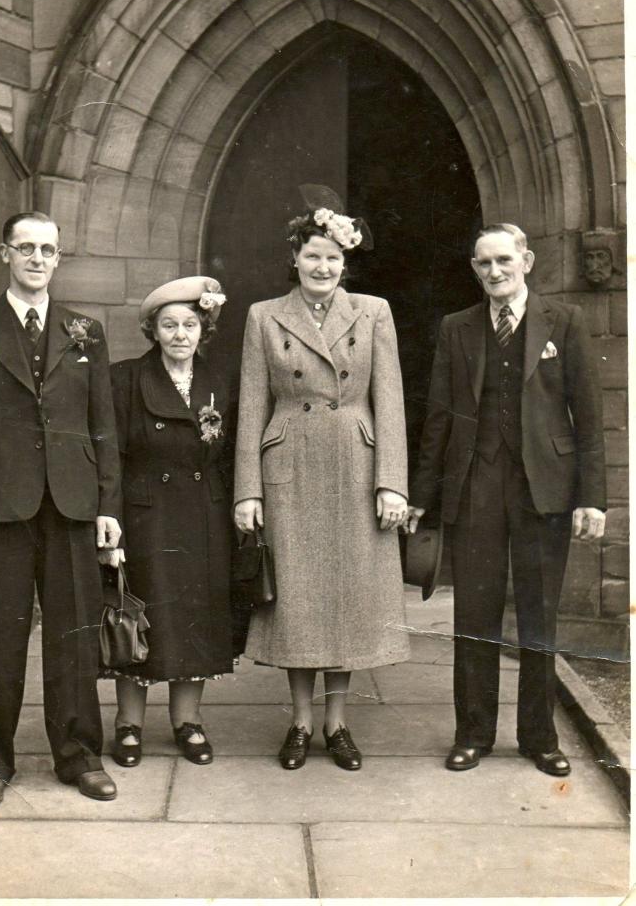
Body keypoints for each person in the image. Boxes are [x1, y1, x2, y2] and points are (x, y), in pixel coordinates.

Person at [0, 211, 122, 807]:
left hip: (70, 503)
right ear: (4, 253)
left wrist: (107, 503)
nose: (38, 258)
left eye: (49, 249)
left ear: (59, 258)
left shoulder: (85, 330)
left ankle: (80, 755)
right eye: (26, 247)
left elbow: (103, 425)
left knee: (75, 636)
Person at [406, 223, 606, 776]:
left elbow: (589, 417)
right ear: (474, 269)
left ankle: (540, 739)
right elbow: (440, 417)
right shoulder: (458, 328)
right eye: (483, 263)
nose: (494, 272)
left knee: (540, 616)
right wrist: (422, 494)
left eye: (503, 261)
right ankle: (473, 734)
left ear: (527, 260)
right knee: (475, 613)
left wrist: (594, 498)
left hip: (546, 490)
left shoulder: (564, 322)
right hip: (475, 486)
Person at [234, 206, 410, 771]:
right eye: (312, 256)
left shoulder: (374, 312)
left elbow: (391, 401)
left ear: (345, 262)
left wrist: (392, 483)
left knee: (347, 597)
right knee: (299, 601)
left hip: (355, 466)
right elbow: (251, 405)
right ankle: (300, 722)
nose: (322, 266)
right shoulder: (264, 316)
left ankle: (338, 724)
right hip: (289, 465)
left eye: (333, 258)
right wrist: (247, 490)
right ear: (295, 258)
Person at [102, 277, 234, 767]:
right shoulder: (125, 379)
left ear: (204, 330)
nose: (181, 334)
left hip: (204, 515)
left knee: (194, 616)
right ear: (152, 330)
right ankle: (128, 724)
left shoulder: (219, 380)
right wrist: (110, 519)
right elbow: (110, 456)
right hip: (145, 517)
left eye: (190, 324)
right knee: (140, 615)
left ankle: (188, 722)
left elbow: (230, 454)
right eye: (169, 325)